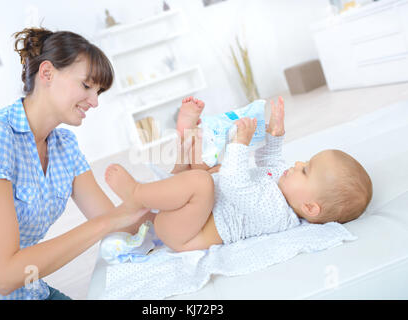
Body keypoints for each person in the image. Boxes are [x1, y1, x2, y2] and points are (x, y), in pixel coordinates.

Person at [0, 27, 151, 300]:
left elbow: (120, 223)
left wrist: (177, 185)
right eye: (86, 86)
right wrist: (106, 223)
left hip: (30, 289)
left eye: (99, 92)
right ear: (47, 73)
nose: (94, 102)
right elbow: (3, 277)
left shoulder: (64, 146)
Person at [105, 96, 373, 252]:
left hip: (186, 232)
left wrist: (240, 144)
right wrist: (275, 134)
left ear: (310, 207)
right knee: (212, 170)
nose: (299, 163)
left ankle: (137, 193)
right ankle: (188, 134)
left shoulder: (278, 215)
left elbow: (234, 185)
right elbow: (269, 160)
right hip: (195, 210)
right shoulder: (285, 186)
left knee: (204, 181)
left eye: (305, 170)